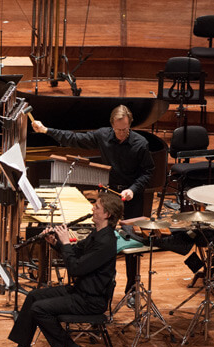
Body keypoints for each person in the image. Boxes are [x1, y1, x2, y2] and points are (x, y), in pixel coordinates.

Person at [32, 104, 155, 301]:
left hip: (132, 196)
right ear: (112, 125)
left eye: (125, 129)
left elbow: (148, 172)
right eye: (118, 129)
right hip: (110, 195)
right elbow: (74, 139)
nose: (122, 133)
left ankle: (132, 290)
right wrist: (46, 130)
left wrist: (132, 189)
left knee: (132, 243)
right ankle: (96, 285)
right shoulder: (103, 135)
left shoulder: (140, 144)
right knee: (102, 238)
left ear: (130, 125)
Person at [0, 192, 124, 347]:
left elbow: (76, 269)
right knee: (33, 296)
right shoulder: (97, 234)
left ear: (107, 214)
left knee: (39, 309)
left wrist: (66, 243)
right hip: (80, 291)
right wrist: (55, 243)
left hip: (90, 300)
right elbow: (77, 252)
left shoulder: (106, 242)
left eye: (97, 207)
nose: (92, 209)